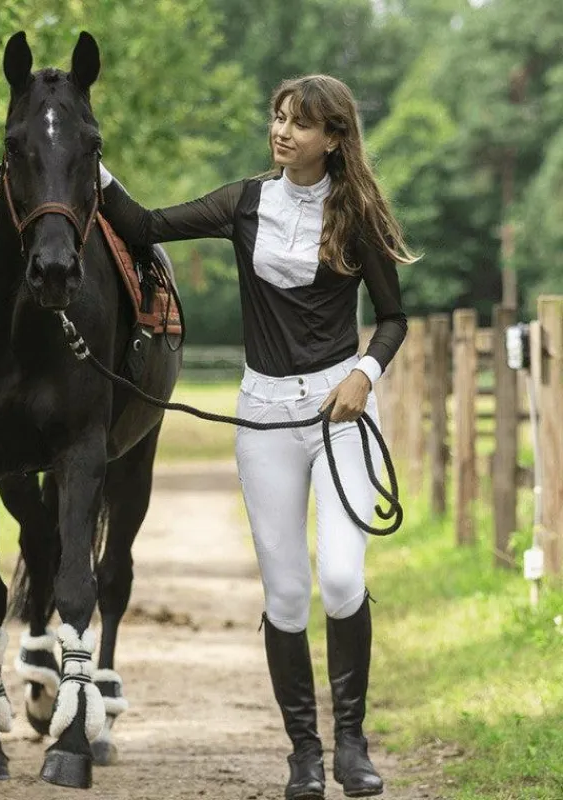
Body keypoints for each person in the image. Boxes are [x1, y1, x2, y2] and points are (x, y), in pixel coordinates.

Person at [97, 74, 416, 800]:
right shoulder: (244, 202)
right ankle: (305, 755)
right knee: (287, 594)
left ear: (333, 138)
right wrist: (88, 157)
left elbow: (394, 317)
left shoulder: (356, 211)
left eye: (299, 124)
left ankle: (352, 745)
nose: (281, 131)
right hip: (264, 415)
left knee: (339, 579)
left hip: (340, 413)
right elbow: (144, 225)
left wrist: (365, 372)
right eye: (277, 118)